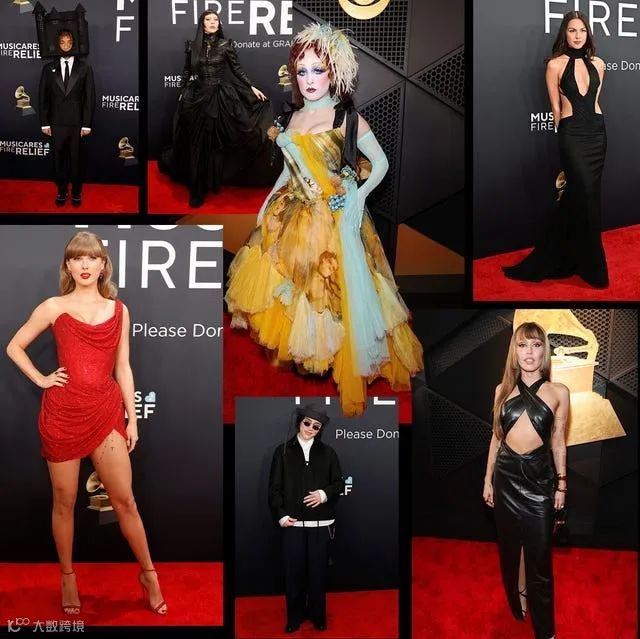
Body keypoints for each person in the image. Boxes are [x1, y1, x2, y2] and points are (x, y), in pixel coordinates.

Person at [225, 23, 424, 416]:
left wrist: (358, 197)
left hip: (334, 216)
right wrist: (266, 203)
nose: (310, 79)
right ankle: (311, 351)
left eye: (318, 70)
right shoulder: (292, 118)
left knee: (336, 290)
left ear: (333, 72)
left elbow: (380, 164)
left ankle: (342, 358)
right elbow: (289, 170)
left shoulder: (346, 119)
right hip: (294, 211)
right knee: (297, 287)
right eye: (302, 71)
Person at [6, 232, 167, 616]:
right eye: (77, 258)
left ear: (102, 265)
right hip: (62, 414)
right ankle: (67, 576)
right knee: (64, 502)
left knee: (125, 501)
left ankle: (149, 574)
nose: (84, 265)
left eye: (91, 258)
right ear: (67, 266)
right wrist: (42, 378)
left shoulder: (119, 310)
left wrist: (131, 418)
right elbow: (14, 346)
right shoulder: (54, 306)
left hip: (106, 412)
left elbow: (123, 367)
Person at [503, 11, 608, 288]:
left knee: (587, 198)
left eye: (582, 30)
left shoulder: (599, 63)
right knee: (583, 194)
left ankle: (579, 258)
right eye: (572, 30)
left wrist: (594, 128)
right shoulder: (554, 65)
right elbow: (555, 108)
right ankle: (591, 266)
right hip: (572, 136)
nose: (577, 35)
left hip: (597, 135)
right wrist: (565, 140)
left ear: (588, 34)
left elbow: (596, 101)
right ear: (564, 33)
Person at [483, 322, 569, 639]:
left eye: (535, 345)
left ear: (544, 350)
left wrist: (562, 484)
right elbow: (496, 439)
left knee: (540, 558)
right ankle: (519, 597)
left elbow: (558, 441)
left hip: (538, 482)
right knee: (511, 547)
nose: (529, 353)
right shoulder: (501, 390)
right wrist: (487, 480)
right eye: (522, 345)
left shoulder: (558, 392)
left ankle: (546, 632)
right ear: (514, 352)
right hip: (505, 478)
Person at [159, 10, 276, 207]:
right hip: (197, 98)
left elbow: (237, 69)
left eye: (216, 19)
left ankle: (212, 180)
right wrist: (182, 90)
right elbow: (187, 70)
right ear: (202, 24)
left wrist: (251, 87)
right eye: (208, 19)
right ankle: (197, 189)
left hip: (220, 98)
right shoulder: (192, 46)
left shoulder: (226, 45)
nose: (213, 22)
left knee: (215, 144)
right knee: (197, 144)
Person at [268, 405, 344, 633]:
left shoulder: (329, 453)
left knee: (318, 575)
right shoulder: (282, 451)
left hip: (321, 525)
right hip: (293, 525)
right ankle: (294, 617)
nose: (310, 428)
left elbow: (339, 483)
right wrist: (281, 515)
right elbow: (274, 488)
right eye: (307, 423)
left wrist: (323, 494)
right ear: (299, 422)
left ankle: (318, 616)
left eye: (316, 426)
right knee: (294, 575)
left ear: (320, 430)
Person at [39, 30, 95, 207]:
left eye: (68, 42)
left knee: (76, 159)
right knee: (59, 160)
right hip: (56, 123)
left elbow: (89, 98)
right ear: (58, 44)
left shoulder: (85, 68)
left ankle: (76, 192)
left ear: (73, 43)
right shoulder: (48, 69)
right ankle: (62, 191)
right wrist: (44, 122)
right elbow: (43, 98)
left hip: (77, 123)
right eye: (62, 42)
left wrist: (86, 124)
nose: (65, 45)